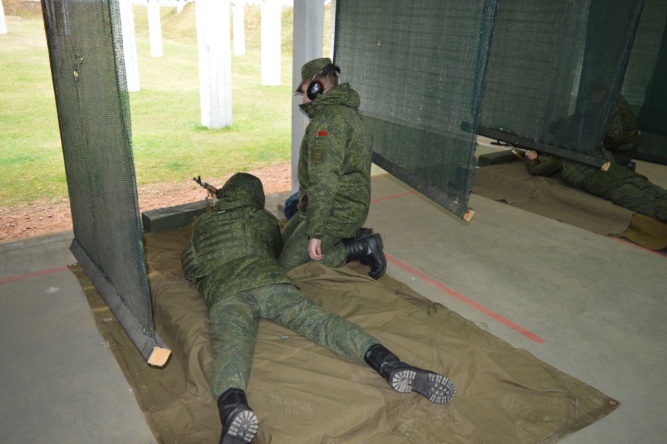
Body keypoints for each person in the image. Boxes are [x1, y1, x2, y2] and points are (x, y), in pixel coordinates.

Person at [181, 173, 456, 444]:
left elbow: (190, 264)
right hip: (270, 282)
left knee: (230, 348)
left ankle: (233, 409)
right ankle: (391, 364)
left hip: (226, 292)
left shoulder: (203, 223)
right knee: (320, 322)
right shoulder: (263, 219)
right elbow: (275, 250)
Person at [278, 57, 387, 279]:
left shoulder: (328, 122)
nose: (304, 98)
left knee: (288, 269)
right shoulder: (345, 113)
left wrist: (316, 233)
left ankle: (362, 247)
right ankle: (353, 236)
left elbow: (324, 181)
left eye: (305, 91)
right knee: (278, 247)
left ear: (317, 87)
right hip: (323, 205)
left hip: (337, 210)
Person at [525, 148, 667, 223]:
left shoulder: (561, 157)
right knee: (659, 194)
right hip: (627, 175)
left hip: (614, 187)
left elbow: (537, 171)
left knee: (653, 207)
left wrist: (533, 159)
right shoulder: (597, 147)